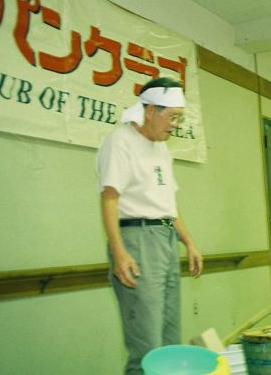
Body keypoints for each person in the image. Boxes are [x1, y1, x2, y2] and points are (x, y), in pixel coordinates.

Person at [97, 77, 203, 374]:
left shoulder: (161, 149)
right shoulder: (120, 141)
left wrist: (189, 242)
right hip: (137, 240)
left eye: (179, 119)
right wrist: (119, 252)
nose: (175, 126)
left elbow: (168, 205)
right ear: (150, 111)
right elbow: (109, 198)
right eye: (172, 117)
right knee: (147, 349)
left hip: (165, 238)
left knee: (169, 343)